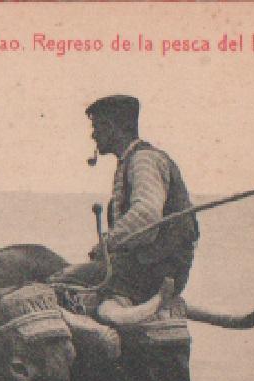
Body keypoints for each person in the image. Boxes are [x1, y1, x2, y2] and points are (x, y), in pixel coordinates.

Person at [58, 95, 199, 309]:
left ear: (111, 127)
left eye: (96, 127)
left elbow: (146, 216)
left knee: (60, 281)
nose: (93, 135)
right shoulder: (133, 160)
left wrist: (107, 243)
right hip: (150, 267)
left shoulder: (144, 160)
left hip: (152, 272)